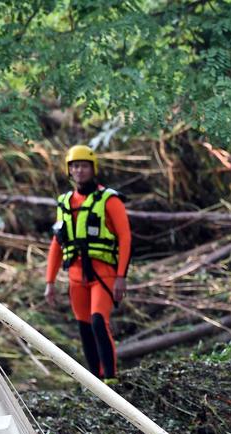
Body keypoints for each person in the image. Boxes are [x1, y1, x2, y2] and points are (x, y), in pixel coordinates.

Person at [44, 144, 131, 382]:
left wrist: (122, 276)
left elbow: (125, 238)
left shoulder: (109, 200)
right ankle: (95, 380)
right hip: (75, 277)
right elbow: (56, 243)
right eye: (75, 166)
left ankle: (111, 379)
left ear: (93, 169)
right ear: (69, 171)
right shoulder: (64, 202)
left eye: (84, 166)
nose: (79, 171)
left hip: (103, 274)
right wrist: (50, 281)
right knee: (84, 327)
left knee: (98, 322)